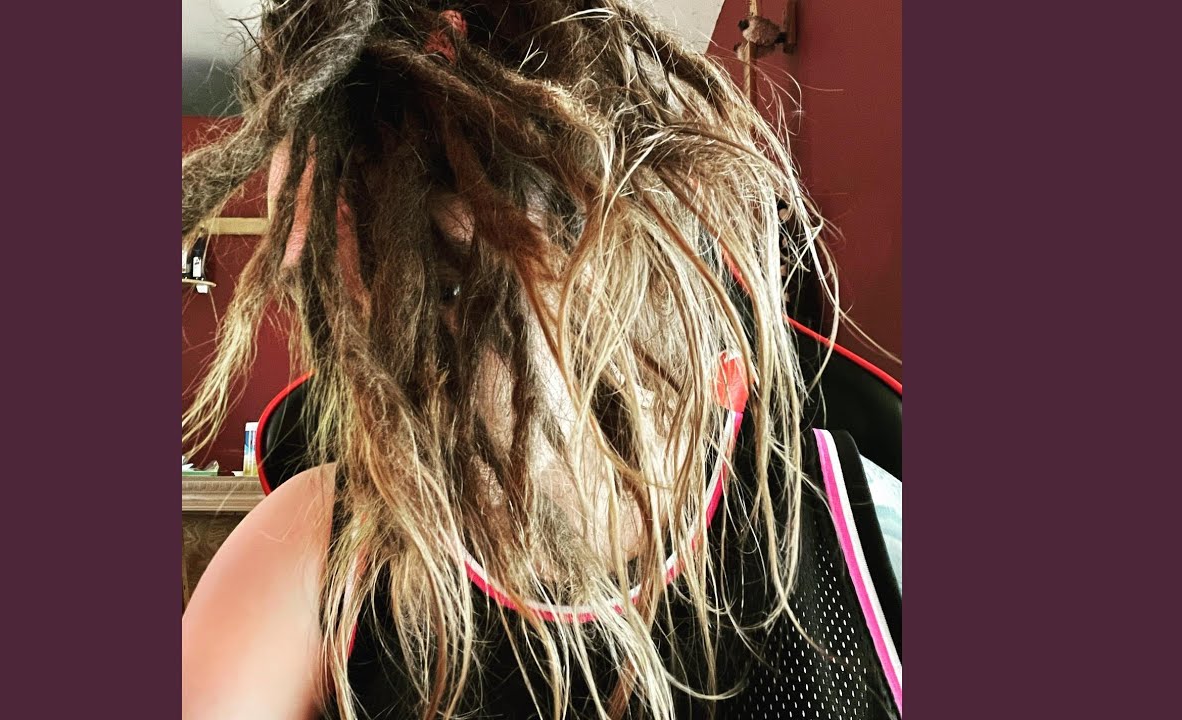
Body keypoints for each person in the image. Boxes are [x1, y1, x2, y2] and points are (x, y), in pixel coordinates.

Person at [181, 2, 901, 718]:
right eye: (329, 302)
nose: (381, 382)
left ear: (611, 257)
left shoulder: (861, 536)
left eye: (445, 284)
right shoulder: (312, 560)